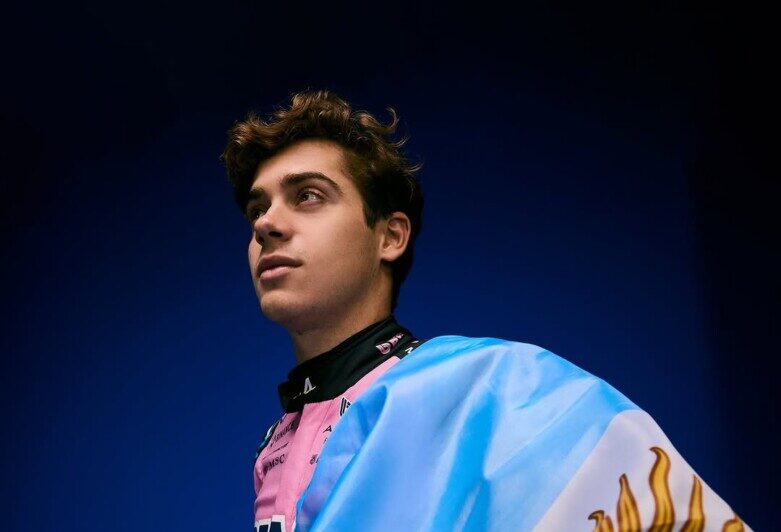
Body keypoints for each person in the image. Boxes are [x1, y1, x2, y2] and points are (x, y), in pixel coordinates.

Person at [221, 90, 749, 532]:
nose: (266, 223)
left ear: (390, 236)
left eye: (308, 196)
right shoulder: (274, 447)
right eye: (257, 208)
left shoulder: (497, 389)